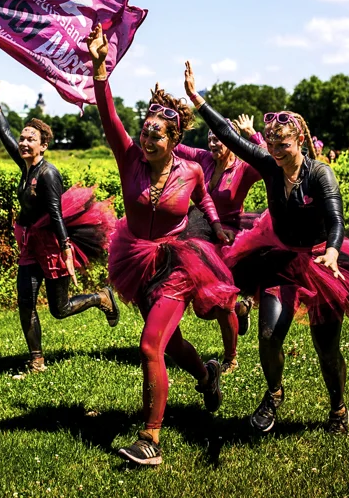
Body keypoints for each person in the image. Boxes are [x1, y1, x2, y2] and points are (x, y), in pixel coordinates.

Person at [184, 61, 349, 436]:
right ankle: (273, 394)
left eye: (283, 144)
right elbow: (229, 134)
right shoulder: (270, 165)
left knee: (326, 348)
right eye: (271, 145)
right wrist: (197, 99)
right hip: (279, 258)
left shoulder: (320, 174)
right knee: (269, 336)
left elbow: (336, 221)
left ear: (300, 141)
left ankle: (338, 408)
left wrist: (333, 250)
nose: (276, 151)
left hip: (322, 261)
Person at [86, 25, 237, 466]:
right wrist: (100, 70)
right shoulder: (128, 156)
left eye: (156, 135)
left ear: (174, 141)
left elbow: (204, 197)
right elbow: (108, 116)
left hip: (177, 262)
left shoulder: (190, 171)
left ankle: (150, 438)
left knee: (150, 344)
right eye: (145, 131)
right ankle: (206, 373)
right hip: (136, 259)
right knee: (169, 344)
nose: (146, 138)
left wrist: (215, 225)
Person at [0, 76, 119, 372]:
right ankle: (37, 360)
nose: (24, 142)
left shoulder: (47, 174)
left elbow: (56, 213)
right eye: (24, 137)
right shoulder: (26, 165)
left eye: (31, 139)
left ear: (43, 147)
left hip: (53, 244)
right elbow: (5, 135)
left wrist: (67, 251)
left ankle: (100, 297)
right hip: (29, 244)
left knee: (60, 308)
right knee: (26, 301)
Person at [167, 98, 264, 373]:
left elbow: (271, 161)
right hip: (197, 230)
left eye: (219, 139)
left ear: (231, 141)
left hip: (228, 237)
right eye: (210, 139)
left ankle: (231, 357)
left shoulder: (244, 168)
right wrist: (165, 110)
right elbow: (173, 144)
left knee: (222, 303)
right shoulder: (203, 158)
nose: (214, 144)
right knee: (202, 304)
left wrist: (252, 136)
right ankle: (241, 312)